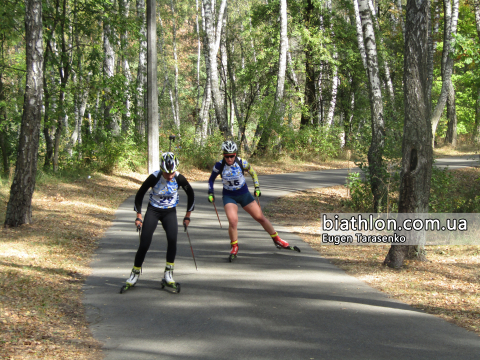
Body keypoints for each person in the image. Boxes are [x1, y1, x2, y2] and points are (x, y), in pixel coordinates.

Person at [207, 140, 299, 262]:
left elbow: (253, 173)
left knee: (260, 217)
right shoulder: (219, 165)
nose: (229, 159)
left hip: (244, 194)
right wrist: (210, 192)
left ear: (235, 154)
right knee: (233, 221)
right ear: (223, 155)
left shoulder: (242, 162)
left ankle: (278, 240)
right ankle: (234, 246)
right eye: (227, 156)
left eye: (232, 156)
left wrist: (257, 188)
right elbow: (211, 180)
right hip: (229, 195)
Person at [124, 152, 195, 290]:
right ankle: (135, 273)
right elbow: (139, 194)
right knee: (144, 242)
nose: (169, 176)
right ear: (162, 170)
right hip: (153, 210)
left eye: (172, 173)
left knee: (172, 239)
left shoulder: (179, 178)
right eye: (167, 173)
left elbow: (191, 194)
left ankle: (168, 274)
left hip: (170, 211)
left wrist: (187, 216)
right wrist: (139, 216)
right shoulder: (154, 177)